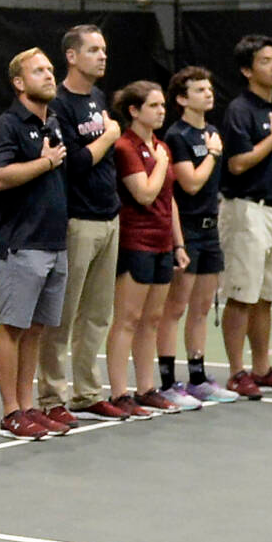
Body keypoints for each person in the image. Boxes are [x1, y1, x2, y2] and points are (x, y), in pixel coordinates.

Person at [0, 48, 73, 441]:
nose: (49, 76)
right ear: (19, 82)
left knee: (36, 328)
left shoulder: (52, 122)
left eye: (51, 70)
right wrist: (44, 163)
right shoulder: (7, 126)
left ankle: (28, 406)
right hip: (22, 243)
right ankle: (10, 412)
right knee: (13, 326)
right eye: (39, 71)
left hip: (54, 241)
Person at [38, 25, 124, 425]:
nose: (102, 56)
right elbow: (73, 162)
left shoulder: (97, 98)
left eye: (104, 49)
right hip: (77, 221)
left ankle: (87, 393)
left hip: (109, 216)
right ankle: (52, 397)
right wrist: (110, 136)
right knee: (62, 314)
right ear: (71, 56)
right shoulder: (58, 104)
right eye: (93, 50)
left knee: (98, 314)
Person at [218, 34, 272, 399]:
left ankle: (262, 368)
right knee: (241, 294)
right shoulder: (240, 110)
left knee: (266, 296)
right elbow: (237, 163)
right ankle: (237, 372)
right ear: (247, 70)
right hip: (245, 210)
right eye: (266, 60)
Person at [106, 80, 192, 417]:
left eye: (162, 105)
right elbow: (143, 194)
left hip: (161, 243)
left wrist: (178, 242)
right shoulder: (126, 148)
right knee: (127, 319)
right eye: (153, 106)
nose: (161, 111)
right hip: (135, 241)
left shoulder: (161, 147)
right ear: (134, 110)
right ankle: (118, 393)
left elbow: (168, 200)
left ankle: (146, 389)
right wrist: (157, 164)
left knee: (152, 319)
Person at [156, 67, 239, 404]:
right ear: (181, 98)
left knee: (202, 307)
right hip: (187, 229)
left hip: (210, 228)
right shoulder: (177, 136)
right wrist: (214, 154)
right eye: (199, 89)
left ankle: (198, 376)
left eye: (209, 88)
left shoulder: (213, 131)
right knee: (175, 307)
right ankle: (165, 381)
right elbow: (189, 182)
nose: (208, 93)